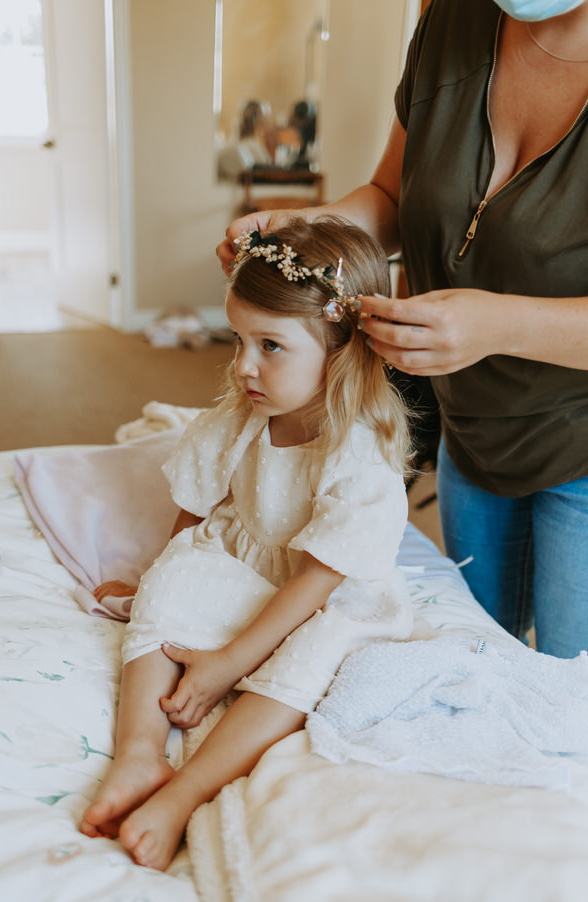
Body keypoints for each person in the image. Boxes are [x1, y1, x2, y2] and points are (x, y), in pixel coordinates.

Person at [216, 0, 588, 659]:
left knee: (567, 691)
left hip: (579, 440)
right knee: (473, 652)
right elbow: (394, 196)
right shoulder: (454, 20)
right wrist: (310, 231)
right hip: (473, 426)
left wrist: (498, 324)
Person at [80, 217, 414, 870]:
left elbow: (314, 585)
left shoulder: (358, 459)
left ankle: (183, 795)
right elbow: (194, 515)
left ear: (341, 351)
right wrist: (156, 582)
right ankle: (139, 753)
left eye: (270, 346)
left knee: (314, 655)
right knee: (179, 572)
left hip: (319, 596)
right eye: (238, 340)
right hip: (254, 568)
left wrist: (230, 663)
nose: (243, 367)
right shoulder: (241, 416)